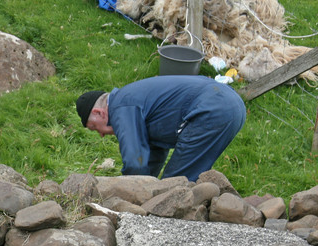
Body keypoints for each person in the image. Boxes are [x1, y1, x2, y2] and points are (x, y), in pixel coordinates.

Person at [76, 75, 246, 181]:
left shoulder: (121, 105)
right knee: (180, 183)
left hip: (212, 109)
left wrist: (128, 193)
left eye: (94, 128)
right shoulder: (133, 100)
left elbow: (136, 161)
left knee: (174, 187)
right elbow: (152, 155)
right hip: (232, 104)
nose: (101, 135)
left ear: (99, 113)